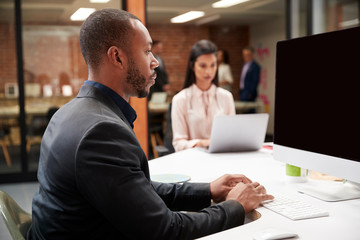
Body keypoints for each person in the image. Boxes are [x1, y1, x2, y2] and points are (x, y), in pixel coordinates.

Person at [27, 9, 273, 240]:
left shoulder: (69, 112)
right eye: (146, 51)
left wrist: (208, 190)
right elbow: (165, 231)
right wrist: (236, 206)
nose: (155, 61)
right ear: (117, 57)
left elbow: (137, 190)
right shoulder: (101, 131)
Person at [171, 40, 235, 152]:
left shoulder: (226, 97)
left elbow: (232, 136)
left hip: (223, 159)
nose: (209, 71)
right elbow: (179, 144)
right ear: (192, 65)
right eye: (203, 66)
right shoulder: (180, 99)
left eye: (213, 65)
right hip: (192, 162)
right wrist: (202, 143)